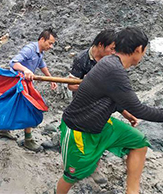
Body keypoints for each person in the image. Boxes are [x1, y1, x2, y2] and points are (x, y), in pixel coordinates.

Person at [56, 27, 163, 194]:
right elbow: (140, 110)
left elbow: (114, 97)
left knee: (139, 142)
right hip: (78, 130)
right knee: (71, 176)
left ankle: (132, 192)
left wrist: (126, 114)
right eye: (144, 51)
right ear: (137, 50)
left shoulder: (111, 63)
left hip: (99, 123)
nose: (143, 55)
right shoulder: (114, 70)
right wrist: (134, 112)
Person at [67, 29, 138, 184]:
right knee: (84, 140)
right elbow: (70, 85)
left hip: (103, 107)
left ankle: (94, 168)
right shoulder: (82, 59)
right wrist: (87, 83)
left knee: (98, 136)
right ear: (100, 45)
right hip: (83, 107)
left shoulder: (112, 62)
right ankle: (75, 168)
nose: (114, 52)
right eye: (112, 48)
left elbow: (114, 93)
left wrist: (126, 113)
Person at [0, 28, 58, 152]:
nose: (51, 46)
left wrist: (51, 79)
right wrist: (25, 70)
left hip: (25, 85)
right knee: (29, 108)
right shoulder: (30, 49)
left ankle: (4, 130)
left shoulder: (39, 52)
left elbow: (42, 66)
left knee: (15, 108)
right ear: (42, 39)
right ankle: (28, 139)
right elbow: (13, 62)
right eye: (50, 43)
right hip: (17, 85)